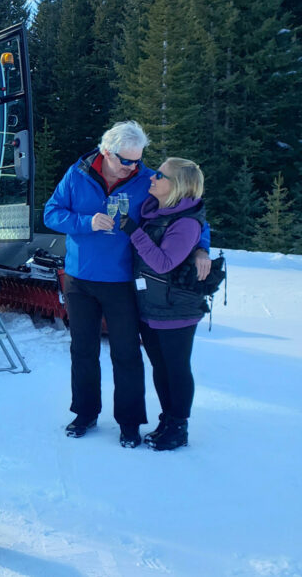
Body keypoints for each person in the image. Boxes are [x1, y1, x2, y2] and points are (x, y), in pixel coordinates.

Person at [44, 121, 211, 448]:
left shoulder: (146, 180)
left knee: (126, 354)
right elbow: (51, 213)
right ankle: (85, 412)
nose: (133, 167)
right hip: (79, 278)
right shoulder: (77, 174)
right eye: (126, 161)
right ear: (106, 152)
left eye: (138, 160)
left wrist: (202, 246)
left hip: (122, 281)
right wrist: (85, 222)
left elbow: (188, 209)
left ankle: (130, 421)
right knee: (82, 350)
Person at [120, 158, 207, 451]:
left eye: (160, 175)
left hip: (176, 309)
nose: (152, 178)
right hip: (153, 305)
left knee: (177, 368)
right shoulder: (157, 212)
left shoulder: (184, 222)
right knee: (161, 367)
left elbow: (163, 262)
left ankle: (179, 426)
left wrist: (133, 230)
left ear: (177, 185)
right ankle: (167, 419)